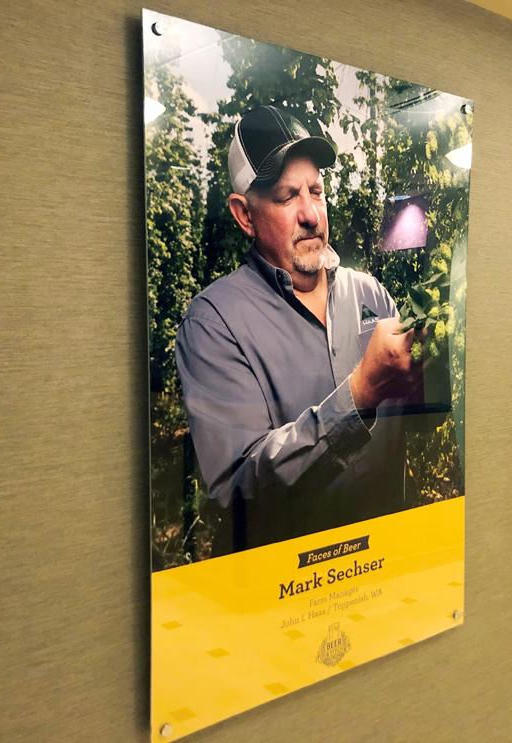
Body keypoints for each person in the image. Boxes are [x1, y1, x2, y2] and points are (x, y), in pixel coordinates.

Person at [175, 105, 420, 553]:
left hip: (385, 571)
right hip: (287, 593)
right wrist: (359, 395)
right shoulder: (214, 323)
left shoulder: (371, 296)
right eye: (287, 197)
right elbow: (239, 489)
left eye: (317, 191)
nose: (311, 214)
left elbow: (420, 419)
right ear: (245, 216)